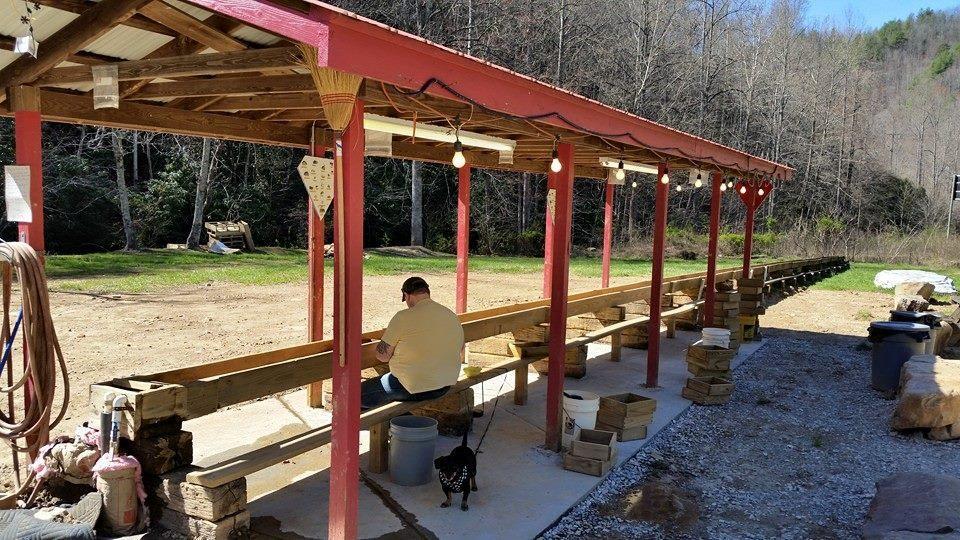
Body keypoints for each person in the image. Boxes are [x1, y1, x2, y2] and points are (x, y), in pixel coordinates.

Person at [361, 276, 465, 409]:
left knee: (354, 395)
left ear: (407, 295)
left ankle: (386, 426)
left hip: (410, 387)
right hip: (444, 385)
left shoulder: (403, 317)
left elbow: (382, 356)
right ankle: (398, 423)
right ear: (427, 293)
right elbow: (460, 350)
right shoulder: (451, 315)